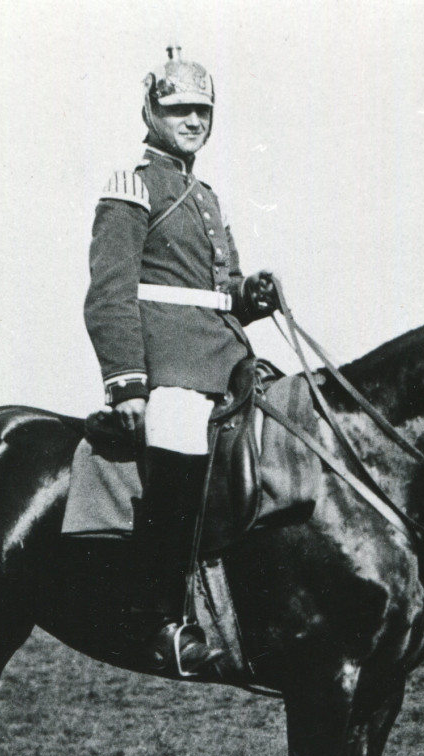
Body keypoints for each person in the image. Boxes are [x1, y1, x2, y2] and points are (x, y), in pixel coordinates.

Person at [84, 48, 279, 678]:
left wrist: (250, 296)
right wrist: (129, 384)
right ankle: (162, 620)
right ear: (152, 111)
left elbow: (216, 293)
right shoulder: (133, 184)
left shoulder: (207, 195)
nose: (193, 120)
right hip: (168, 363)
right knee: (177, 430)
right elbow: (110, 291)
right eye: (179, 109)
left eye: (202, 110)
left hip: (226, 357)